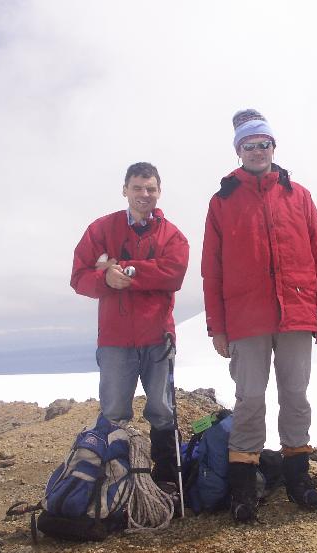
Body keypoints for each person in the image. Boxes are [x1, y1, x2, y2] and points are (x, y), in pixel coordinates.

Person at [201, 109, 317, 523]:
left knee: (296, 396)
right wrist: (217, 327)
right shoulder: (222, 201)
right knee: (250, 400)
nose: (257, 151)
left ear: (273, 147)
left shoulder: (299, 195)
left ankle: (298, 478)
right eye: (249, 146)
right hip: (246, 321)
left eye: (264, 144)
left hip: (295, 314)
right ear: (239, 151)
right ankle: (243, 487)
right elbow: (212, 268)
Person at [71, 162, 189, 487]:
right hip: (115, 341)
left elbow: (174, 274)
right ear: (125, 190)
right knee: (113, 414)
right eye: (137, 188)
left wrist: (120, 268)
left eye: (150, 188)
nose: (144, 194)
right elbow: (79, 277)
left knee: (163, 411)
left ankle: (168, 482)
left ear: (159, 192)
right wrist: (105, 277)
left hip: (157, 338)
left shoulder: (172, 235)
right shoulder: (101, 229)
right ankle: (115, 484)